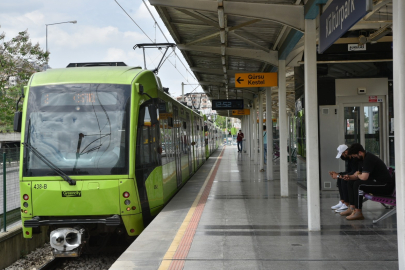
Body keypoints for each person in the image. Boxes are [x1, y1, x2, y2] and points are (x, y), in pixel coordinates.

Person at [342, 143, 394, 220]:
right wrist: (349, 177)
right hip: (377, 183)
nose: (354, 158)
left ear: (359, 152)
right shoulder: (360, 159)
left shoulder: (369, 159)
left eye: (354, 156)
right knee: (350, 182)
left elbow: (363, 177)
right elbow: (357, 175)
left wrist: (358, 174)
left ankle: (358, 212)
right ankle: (352, 208)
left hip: (385, 186)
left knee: (358, 184)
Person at [329, 145, 359, 213]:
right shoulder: (349, 160)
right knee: (340, 179)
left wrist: (339, 175)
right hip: (353, 175)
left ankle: (346, 203)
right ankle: (342, 201)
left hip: (357, 177)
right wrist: (338, 174)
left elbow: (354, 172)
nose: (342, 157)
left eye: (342, 154)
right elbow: (348, 171)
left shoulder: (354, 159)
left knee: (343, 180)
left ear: (346, 152)